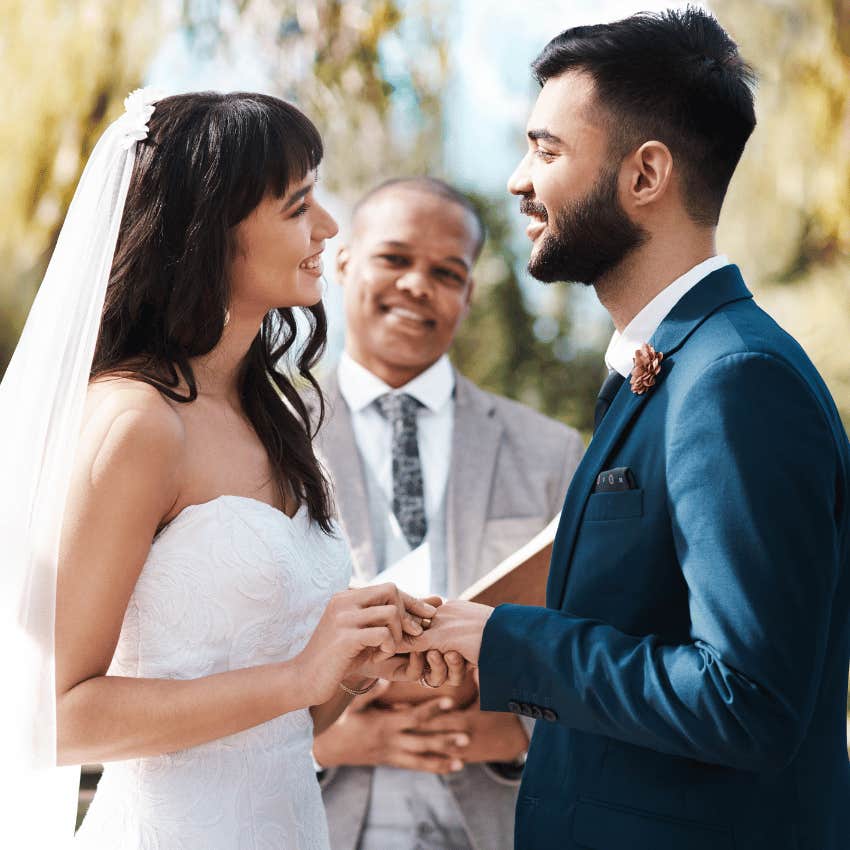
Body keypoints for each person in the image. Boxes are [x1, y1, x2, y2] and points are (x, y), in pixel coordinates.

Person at [408, 9, 850, 850]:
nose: (515, 180)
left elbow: (745, 699)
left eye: (545, 150)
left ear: (646, 173)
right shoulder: (677, 366)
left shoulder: (734, 379)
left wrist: (509, 639)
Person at [0, 90, 444, 850]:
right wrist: (298, 676)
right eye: (299, 204)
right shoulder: (137, 423)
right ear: (210, 233)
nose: (329, 227)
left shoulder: (276, 418)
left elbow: (290, 722)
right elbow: (47, 717)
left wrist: (352, 662)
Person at [311, 177, 585, 850]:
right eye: (395, 259)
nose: (417, 285)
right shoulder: (265, 434)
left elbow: (597, 636)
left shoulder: (551, 451)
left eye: (446, 272)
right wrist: (321, 737)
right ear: (344, 262)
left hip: (495, 817)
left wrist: (516, 735)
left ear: (467, 293)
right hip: (308, 819)